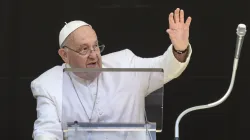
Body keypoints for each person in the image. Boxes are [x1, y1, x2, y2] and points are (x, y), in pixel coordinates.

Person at [31, 8, 192, 140]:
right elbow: (46, 132)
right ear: (64, 55)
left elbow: (164, 68)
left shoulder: (125, 63)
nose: (94, 55)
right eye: (84, 49)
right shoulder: (48, 84)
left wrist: (180, 48)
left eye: (95, 46)